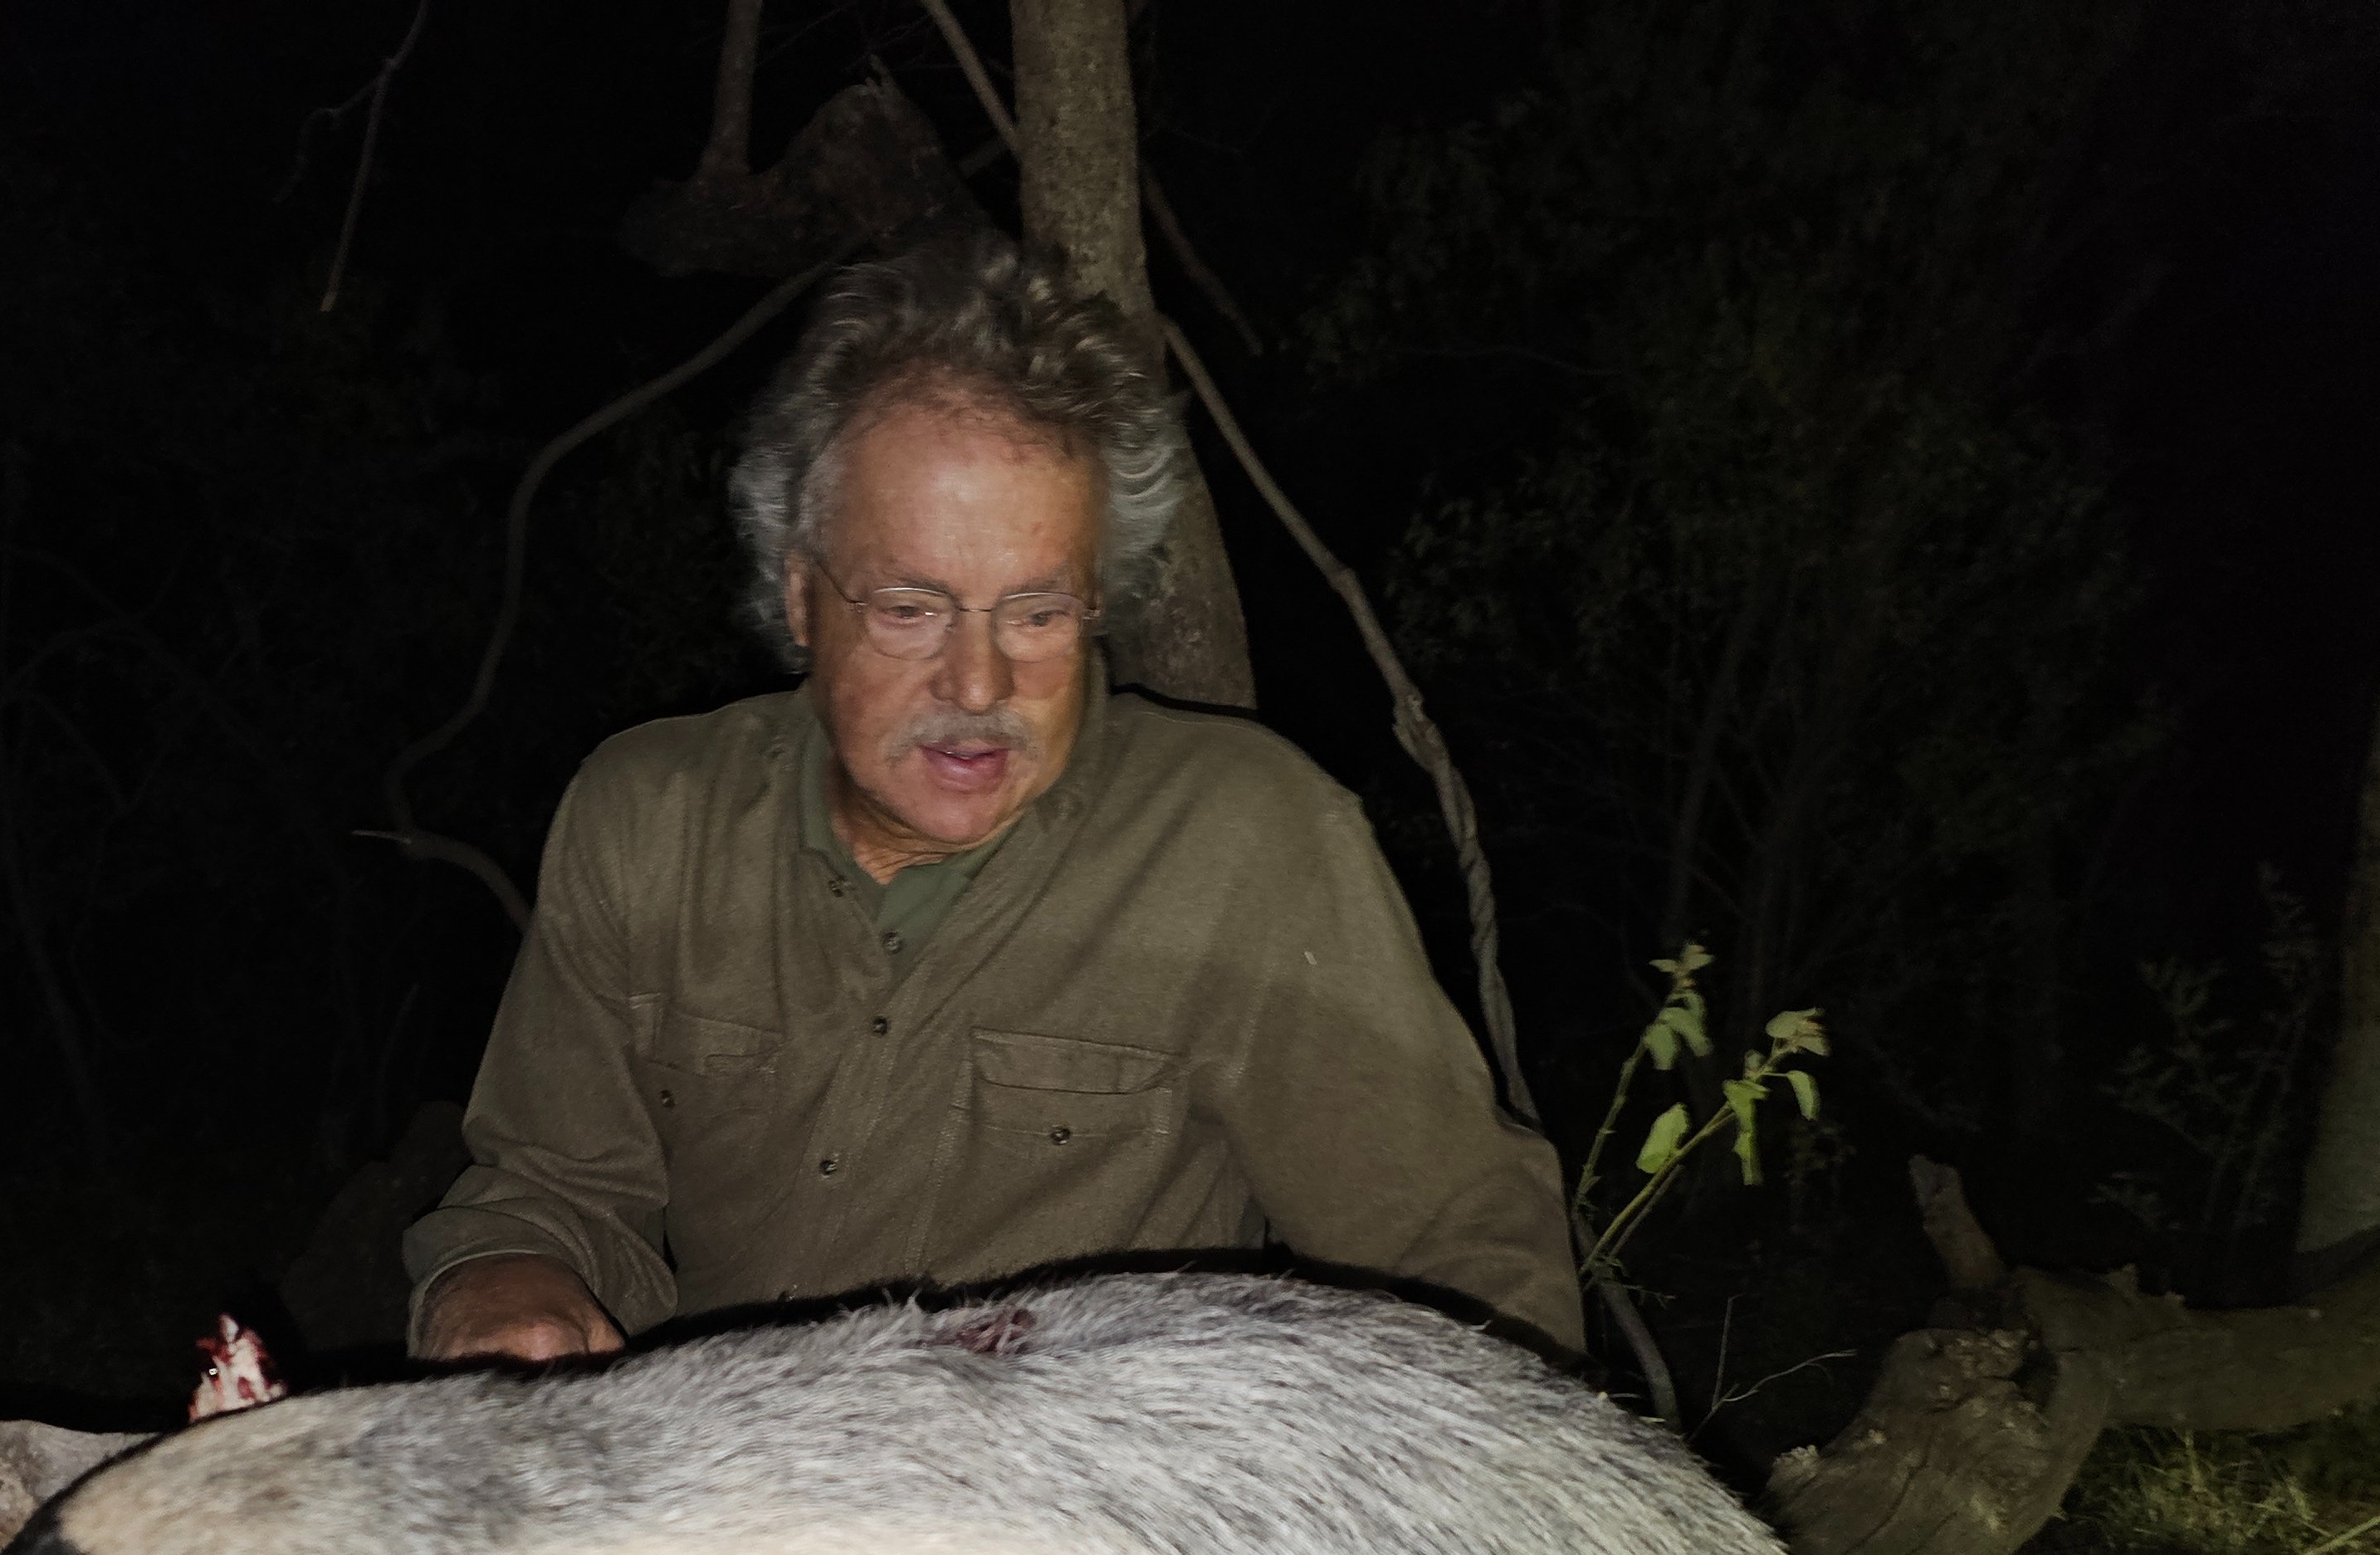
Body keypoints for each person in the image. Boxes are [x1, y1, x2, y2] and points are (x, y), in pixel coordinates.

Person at [403, 227, 1581, 1363]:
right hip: (724, 1511)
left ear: (1100, 602)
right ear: (801, 594)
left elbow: (1463, 1253)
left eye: (1037, 612)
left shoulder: (1248, 842)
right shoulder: (647, 819)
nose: (981, 684)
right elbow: (552, 1188)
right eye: (911, 608)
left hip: (1083, 1533)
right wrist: (505, 1282)